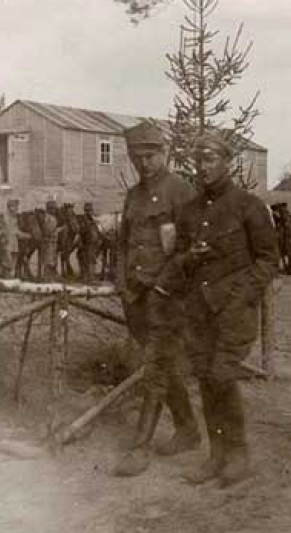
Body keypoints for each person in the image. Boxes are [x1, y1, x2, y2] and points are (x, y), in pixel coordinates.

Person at [155, 133, 279, 487]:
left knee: (223, 375)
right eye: (199, 161)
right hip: (199, 311)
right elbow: (177, 258)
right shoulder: (190, 211)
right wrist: (188, 258)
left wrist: (243, 295)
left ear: (227, 162)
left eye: (211, 160)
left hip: (234, 310)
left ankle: (237, 454)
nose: (204, 167)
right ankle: (216, 455)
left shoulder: (248, 206)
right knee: (208, 380)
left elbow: (269, 260)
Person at [112, 121, 200, 477]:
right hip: (135, 295)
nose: (144, 163)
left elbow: (190, 248)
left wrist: (165, 285)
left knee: (155, 367)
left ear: (164, 153)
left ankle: (139, 447)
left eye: (150, 155)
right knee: (163, 364)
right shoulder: (133, 195)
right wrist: (121, 282)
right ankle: (188, 429)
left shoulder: (181, 191)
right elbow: (122, 243)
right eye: (138, 156)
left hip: (167, 296)